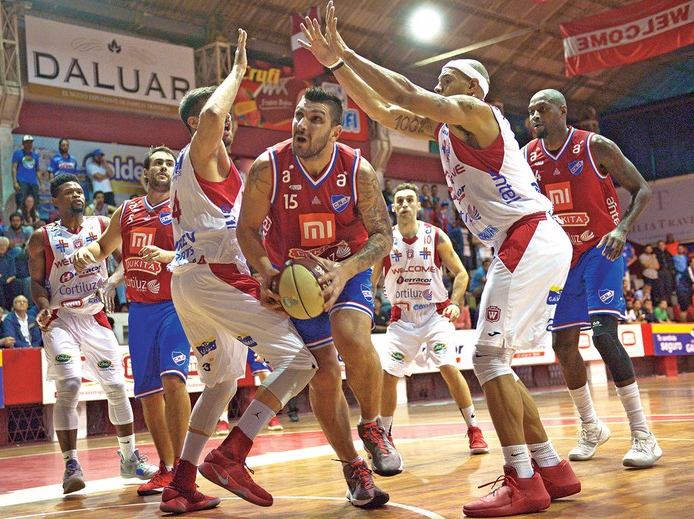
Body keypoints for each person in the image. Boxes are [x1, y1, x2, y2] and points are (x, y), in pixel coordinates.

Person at [299, 7, 580, 516]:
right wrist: (338, 70)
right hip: (531, 242)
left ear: (473, 88)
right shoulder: (449, 130)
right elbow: (387, 111)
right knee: (501, 363)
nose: (440, 85)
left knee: (488, 359)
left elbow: (406, 93)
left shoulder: (479, 115)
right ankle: (551, 467)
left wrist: (345, 53)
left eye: (449, 80)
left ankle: (522, 480)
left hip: (528, 237)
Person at [161, 29, 318, 514]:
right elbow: (209, 113)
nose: (227, 122)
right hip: (211, 278)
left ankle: (180, 485)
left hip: (192, 282)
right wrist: (237, 74)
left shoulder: (222, 176)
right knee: (300, 363)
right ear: (197, 124)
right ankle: (233, 454)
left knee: (222, 383)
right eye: (224, 115)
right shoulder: (199, 154)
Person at [237, 84, 400, 508]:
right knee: (323, 372)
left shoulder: (357, 171)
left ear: (335, 132)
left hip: (346, 268)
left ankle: (371, 425)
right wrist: (267, 274)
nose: (302, 125)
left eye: (315, 119)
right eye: (299, 115)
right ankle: (353, 470)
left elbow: (384, 234)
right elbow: (246, 229)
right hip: (294, 278)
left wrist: (346, 270)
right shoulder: (267, 167)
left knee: (350, 333)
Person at [525, 88, 661, 469]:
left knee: (603, 334)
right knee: (563, 344)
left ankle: (643, 435)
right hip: (561, 258)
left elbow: (642, 190)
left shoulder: (595, 146)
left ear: (562, 111)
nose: (535, 116)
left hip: (602, 249)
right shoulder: (527, 157)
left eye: (542, 109)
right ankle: (591, 427)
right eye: (531, 111)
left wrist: (621, 229)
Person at [73, 146, 192, 496]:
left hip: (176, 305)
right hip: (140, 310)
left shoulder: (185, 206)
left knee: (173, 381)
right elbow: (105, 246)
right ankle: (167, 468)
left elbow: (202, 250)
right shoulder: (127, 211)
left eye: (170, 163)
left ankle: (186, 469)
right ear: (145, 173)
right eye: (157, 163)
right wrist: (88, 253)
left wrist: (170, 255)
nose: (164, 168)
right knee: (148, 394)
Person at [28, 173, 157, 495]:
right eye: (69, 192)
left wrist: (113, 280)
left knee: (116, 386)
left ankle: (129, 458)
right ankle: (71, 463)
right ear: (55, 201)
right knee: (69, 384)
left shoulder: (101, 225)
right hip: (60, 318)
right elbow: (36, 282)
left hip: (95, 316)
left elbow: (125, 261)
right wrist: (42, 304)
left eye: (79, 190)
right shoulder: (41, 237)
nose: (76, 195)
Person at [370, 182, 489, 454]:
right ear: (392, 206)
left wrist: (456, 303)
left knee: (447, 365)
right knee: (389, 375)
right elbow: (371, 281)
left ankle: (474, 429)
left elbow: (461, 273)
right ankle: (386, 435)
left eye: (410, 200)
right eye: (399, 201)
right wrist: (366, 309)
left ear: (418, 205)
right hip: (402, 318)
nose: (404, 205)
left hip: (435, 314)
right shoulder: (385, 242)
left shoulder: (435, 236)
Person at [215, 349, 285, 435]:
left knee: (265, 374)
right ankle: (223, 420)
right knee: (224, 377)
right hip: (233, 340)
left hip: (250, 339)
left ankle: (271, 416)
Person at [12, 135, 43, 209]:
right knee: (21, 200)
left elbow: (38, 170)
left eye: (30, 142)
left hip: (33, 182)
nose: (29, 144)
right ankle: (20, 215)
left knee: (35, 201)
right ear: (23, 143)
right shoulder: (18, 153)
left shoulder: (35, 156)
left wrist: (42, 184)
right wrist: (15, 182)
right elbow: (14, 168)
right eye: (27, 142)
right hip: (22, 181)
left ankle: (34, 216)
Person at [0, 236, 24, 310]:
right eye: (0, 245)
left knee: (18, 282)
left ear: (7, 247)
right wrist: (0, 277)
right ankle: (2, 307)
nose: (2, 247)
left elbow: (13, 273)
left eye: (4, 245)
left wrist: (3, 277)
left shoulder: (10, 258)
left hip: (8, 280)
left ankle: (13, 307)